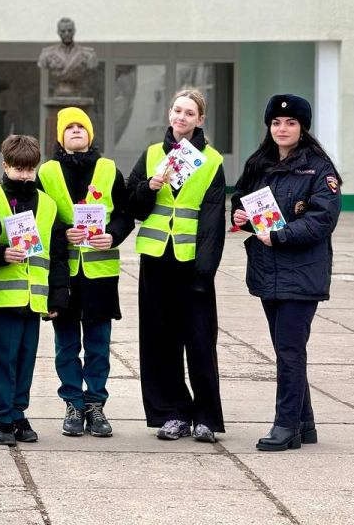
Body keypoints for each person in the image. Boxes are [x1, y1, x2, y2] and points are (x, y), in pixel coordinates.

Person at [231, 94, 341, 451]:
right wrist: (241, 218)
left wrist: (279, 235)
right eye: (276, 123)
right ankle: (304, 424)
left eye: (290, 123)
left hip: (302, 273)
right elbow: (243, 201)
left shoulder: (320, 169)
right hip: (268, 272)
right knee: (286, 350)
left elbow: (322, 219)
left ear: (302, 127)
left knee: (290, 351)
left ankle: (286, 425)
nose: (282, 129)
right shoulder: (260, 163)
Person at [127, 89, 226, 443]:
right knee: (159, 340)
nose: (181, 117)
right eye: (177, 110)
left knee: (199, 340)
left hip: (191, 264)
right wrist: (150, 186)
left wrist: (205, 271)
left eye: (189, 113)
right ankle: (172, 414)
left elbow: (213, 221)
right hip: (156, 259)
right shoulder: (153, 154)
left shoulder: (212, 161)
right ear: (169, 114)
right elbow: (133, 205)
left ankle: (206, 417)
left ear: (200, 119)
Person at [37, 108, 134, 437]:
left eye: (82, 126)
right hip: (62, 274)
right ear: (61, 137)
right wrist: (62, 232)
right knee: (65, 344)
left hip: (100, 273)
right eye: (70, 128)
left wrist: (113, 234)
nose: (76, 131)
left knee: (98, 344)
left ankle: (95, 405)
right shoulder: (47, 172)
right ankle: (73, 404)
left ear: (90, 134)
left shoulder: (108, 168)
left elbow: (125, 214)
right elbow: (39, 218)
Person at [0, 134, 69, 446]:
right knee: (3, 358)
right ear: (5, 166)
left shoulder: (47, 204)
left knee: (25, 358)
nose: (24, 174)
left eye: (30, 169)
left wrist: (59, 294)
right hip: (3, 294)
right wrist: (0, 254)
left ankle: (18, 412)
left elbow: (58, 254)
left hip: (35, 296)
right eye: (18, 169)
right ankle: (1, 417)